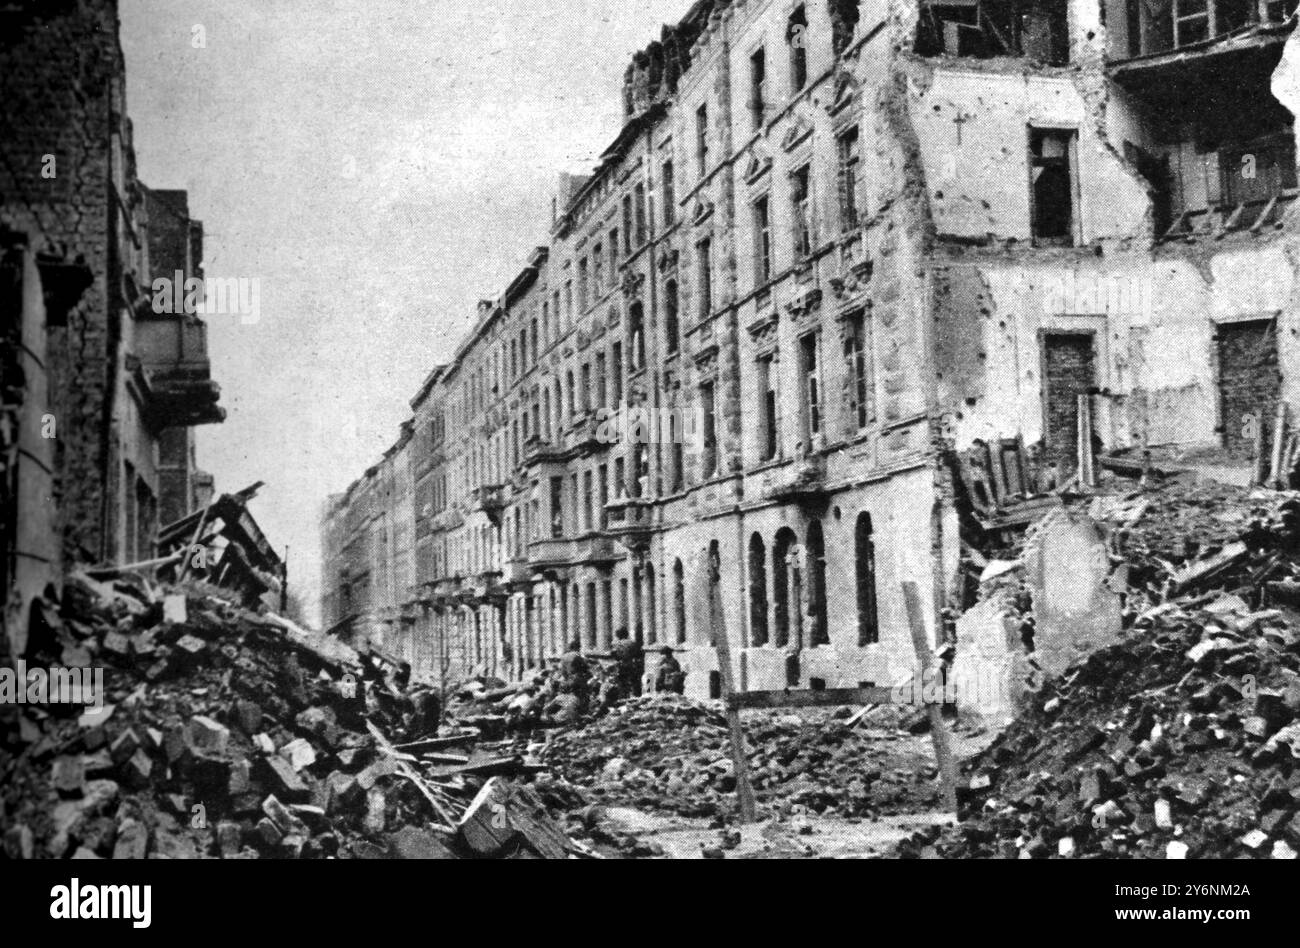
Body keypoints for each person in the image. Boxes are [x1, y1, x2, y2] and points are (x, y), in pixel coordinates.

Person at [610, 628, 643, 698]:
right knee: (634, 682)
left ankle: (624, 696)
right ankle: (636, 696)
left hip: (620, 665)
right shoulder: (632, 643)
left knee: (622, 682)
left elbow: (613, 654)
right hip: (631, 664)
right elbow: (638, 653)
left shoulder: (615, 644)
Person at [559, 638, 591, 711]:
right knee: (583, 696)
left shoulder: (564, 656)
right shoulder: (577, 655)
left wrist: (566, 678)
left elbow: (562, 671)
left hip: (568, 679)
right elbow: (585, 667)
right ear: (577, 647)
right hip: (578, 678)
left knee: (570, 697)